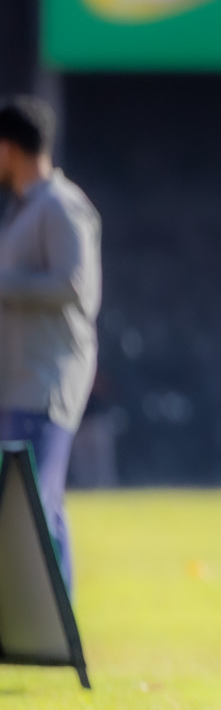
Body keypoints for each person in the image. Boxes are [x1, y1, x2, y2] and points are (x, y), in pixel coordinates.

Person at [0, 96, 101, 590]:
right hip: (17, 383)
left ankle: (54, 629)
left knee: (37, 505)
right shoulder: (24, 210)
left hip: (46, 382)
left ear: (10, 148)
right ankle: (35, 626)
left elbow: (74, 285)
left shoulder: (61, 206)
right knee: (25, 507)